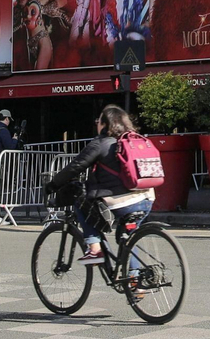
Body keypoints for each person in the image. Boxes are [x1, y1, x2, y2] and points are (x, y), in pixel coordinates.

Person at [44, 105, 152, 265]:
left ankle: (94, 249)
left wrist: (53, 184)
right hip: (146, 198)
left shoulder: (101, 143)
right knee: (128, 237)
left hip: (122, 202)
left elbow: (76, 166)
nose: (97, 124)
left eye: (98, 121)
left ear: (106, 124)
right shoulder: (135, 139)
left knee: (81, 202)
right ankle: (135, 280)